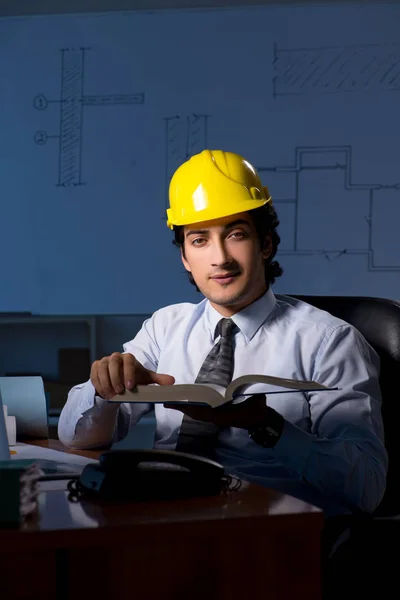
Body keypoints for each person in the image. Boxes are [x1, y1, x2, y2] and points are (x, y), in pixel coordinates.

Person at [58, 149, 387, 518]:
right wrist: (103, 391)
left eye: (236, 234)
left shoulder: (329, 342)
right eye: (199, 240)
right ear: (185, 256)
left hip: (273, 536)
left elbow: (367, 487)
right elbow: (76, 437)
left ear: (265, 243)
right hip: (165, 520)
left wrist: (268, 427)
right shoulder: (165, 327)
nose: (220, 258)